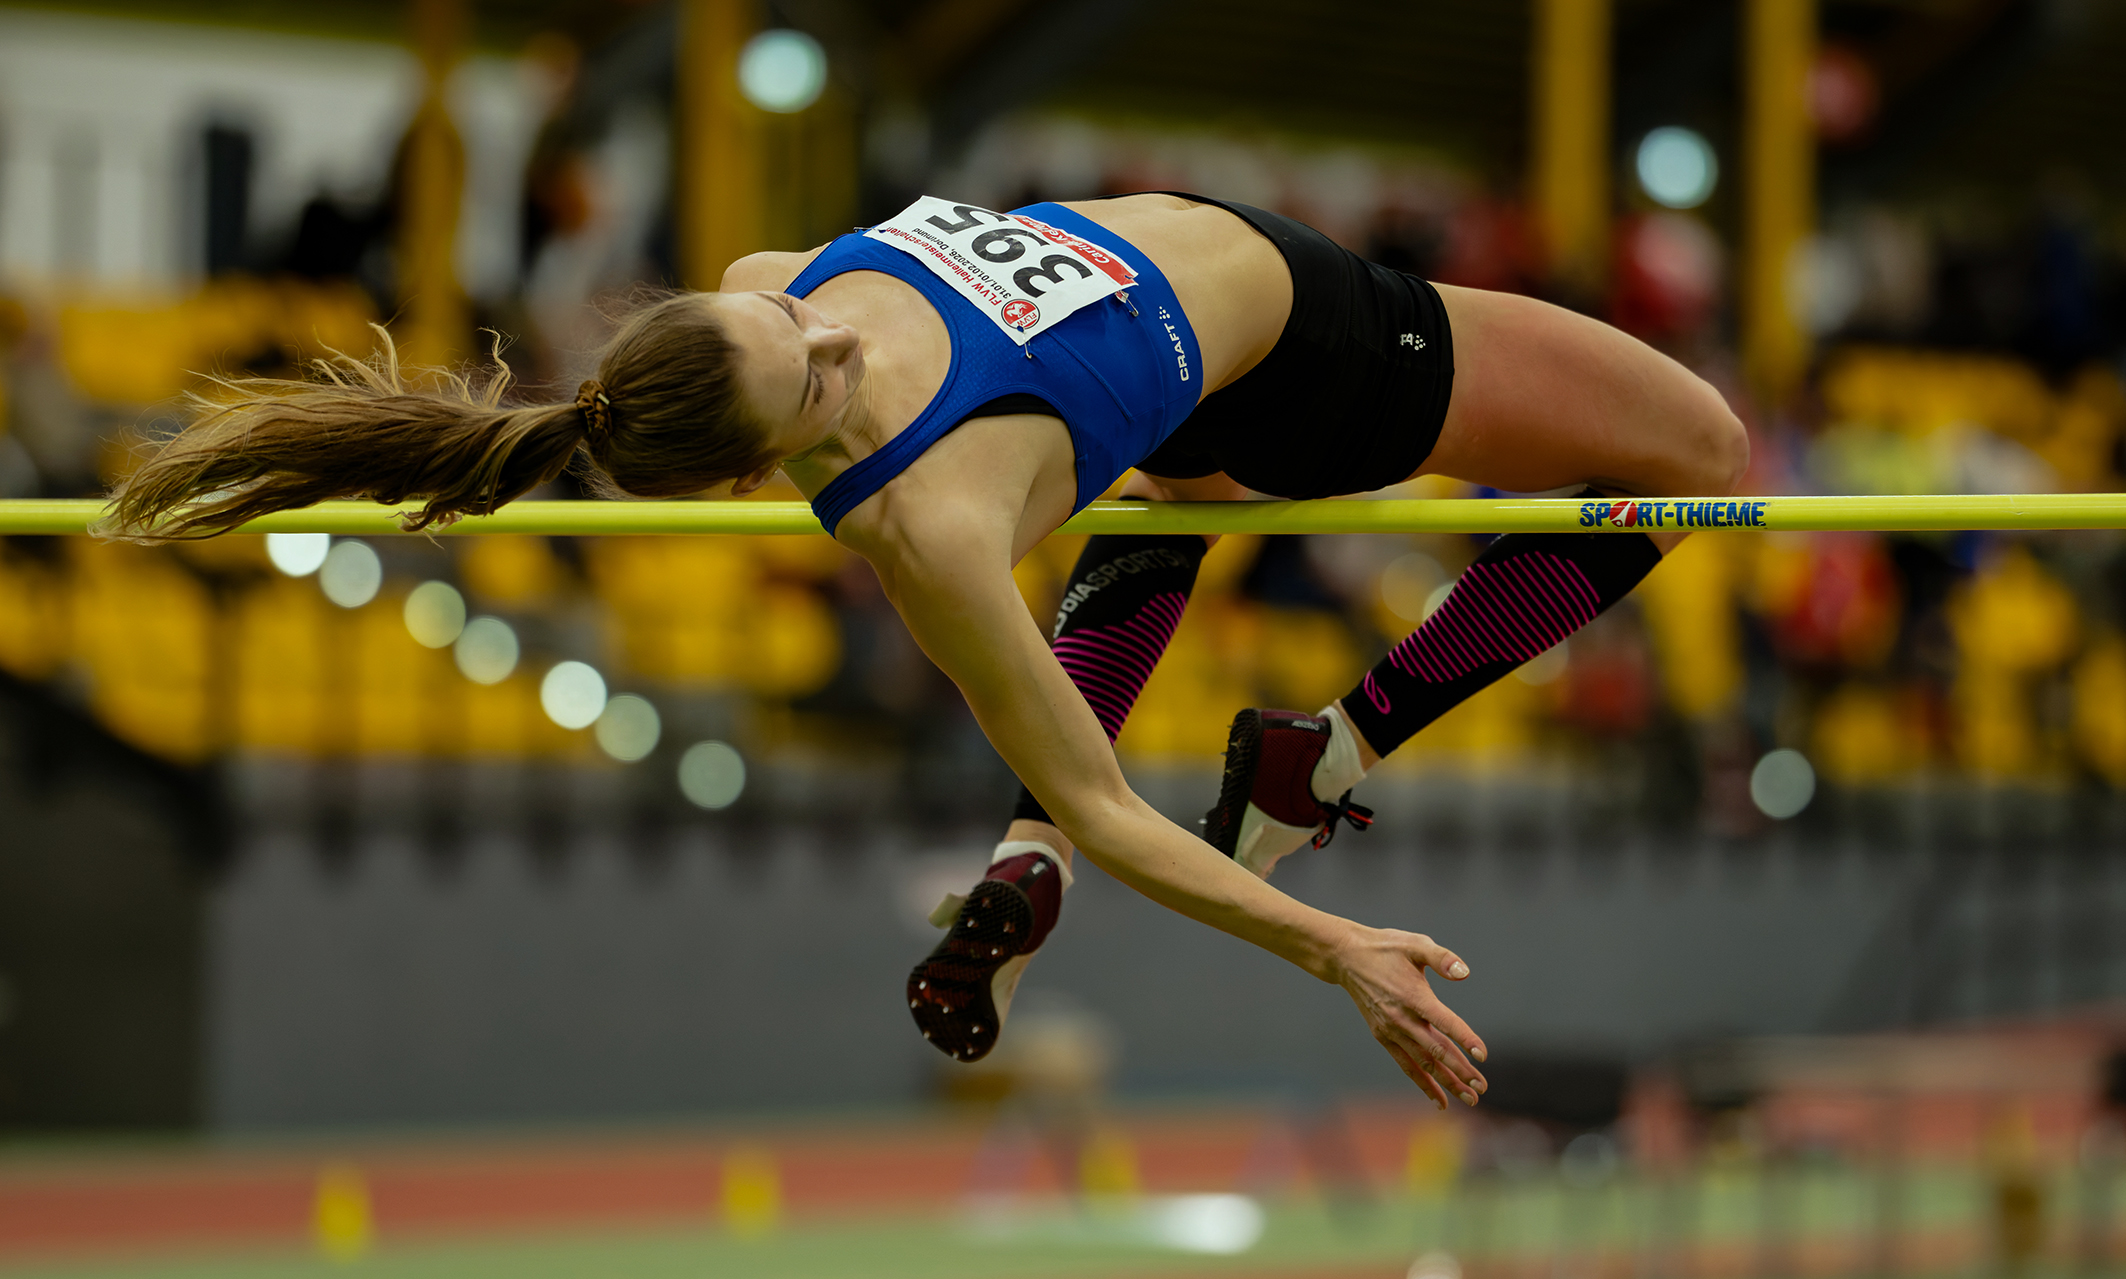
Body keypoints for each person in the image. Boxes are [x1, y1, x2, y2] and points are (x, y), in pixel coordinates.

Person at [105, 192, 1745, 1113]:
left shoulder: (770, 290)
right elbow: (1111, 802)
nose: (836, 331)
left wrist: (793, 332)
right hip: (1315, 338)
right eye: (816, 375)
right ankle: (1336, 750)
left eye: (795, 320)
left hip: (1187, 399)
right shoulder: (933, 527)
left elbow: (779, 320)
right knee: (1695, 456)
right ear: (773, 469)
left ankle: (1030, 863)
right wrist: (1332, 946)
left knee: (1163, 497)